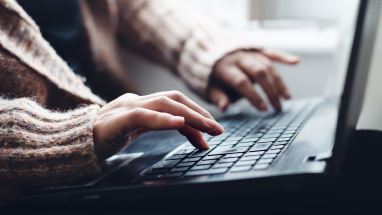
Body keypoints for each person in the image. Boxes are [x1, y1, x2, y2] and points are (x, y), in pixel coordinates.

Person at [0, 0, 299, 201]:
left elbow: (129, 6)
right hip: (32, 190)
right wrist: (71, 135)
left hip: (121, 152)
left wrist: (205, 50)